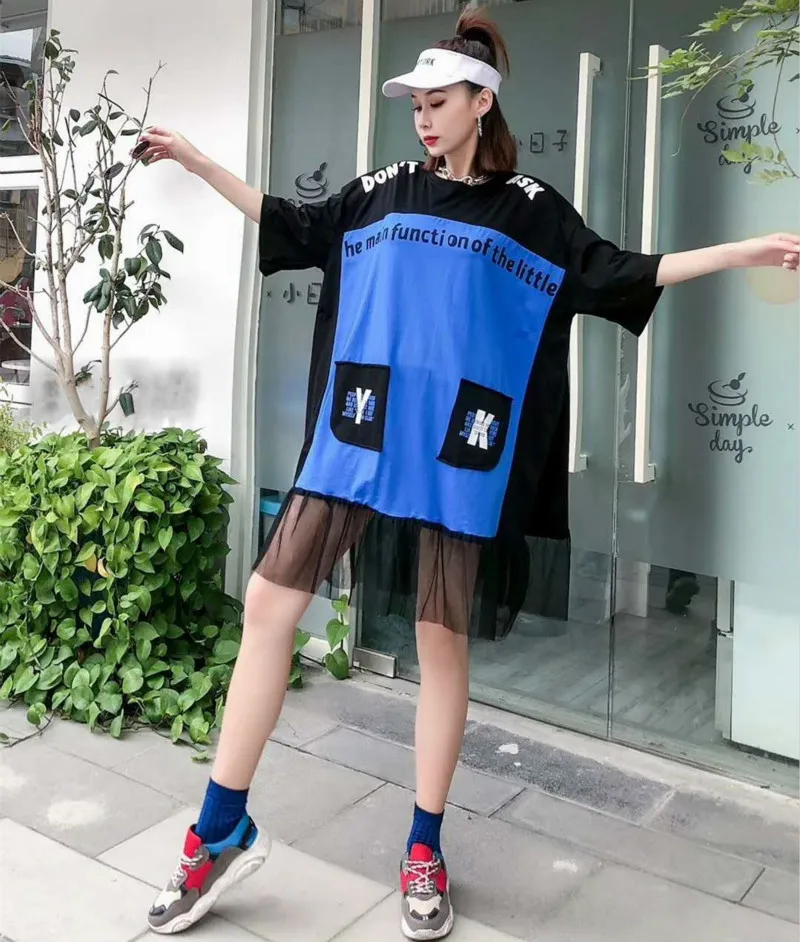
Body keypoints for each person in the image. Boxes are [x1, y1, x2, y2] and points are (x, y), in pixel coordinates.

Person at [137, 7, 799, 939]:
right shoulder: (383, 189)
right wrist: (199, 162)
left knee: (439, 641)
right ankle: (218, 829)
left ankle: (424, 846)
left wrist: (748, 250)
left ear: (482, 103)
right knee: (268, 605)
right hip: (359, 430)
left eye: (438, 102)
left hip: (461, 449)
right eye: (415, 105)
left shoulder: (529, 208)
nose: (422, 118)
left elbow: (623, 270)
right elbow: (293, 222)